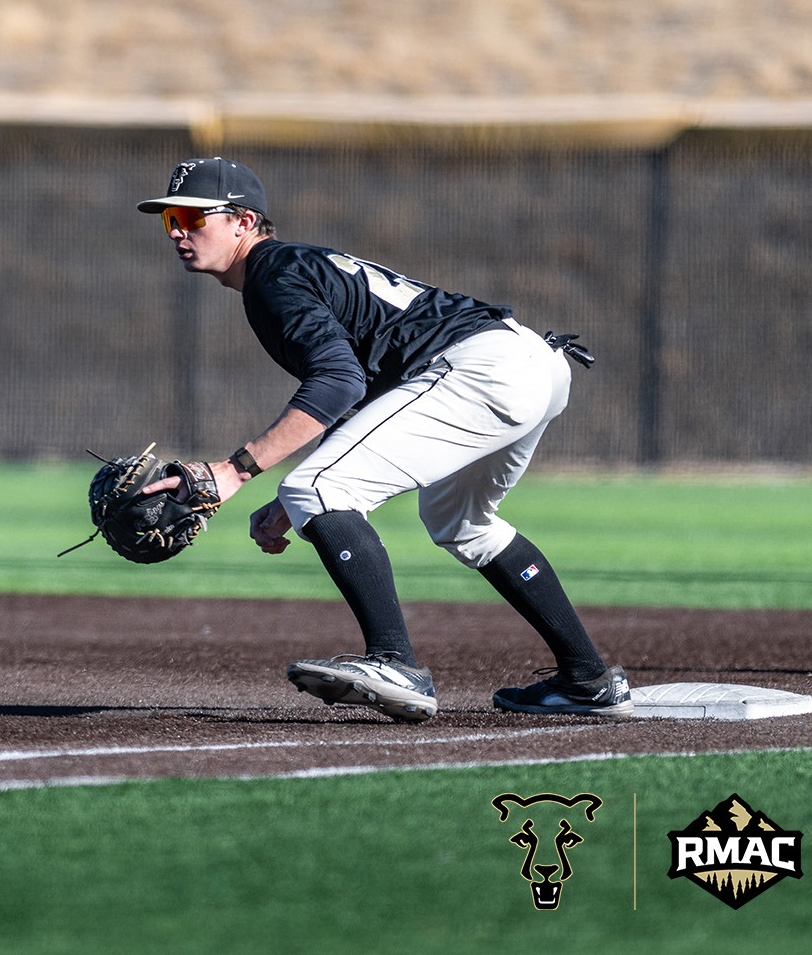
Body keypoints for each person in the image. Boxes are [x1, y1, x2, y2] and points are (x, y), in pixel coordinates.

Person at [135, 156, 630, 723]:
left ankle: (395, 663)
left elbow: (338, 381)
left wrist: (237, 471)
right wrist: (288, 497)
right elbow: (366, 393)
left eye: (192, 217)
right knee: (459, 522)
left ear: (244, 221)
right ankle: (586, 679)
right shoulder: (293, 267)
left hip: (482, 367)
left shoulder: (272, 277)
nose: (177, 230)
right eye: (169, 218)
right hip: (529, 363)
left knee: (319, 488)